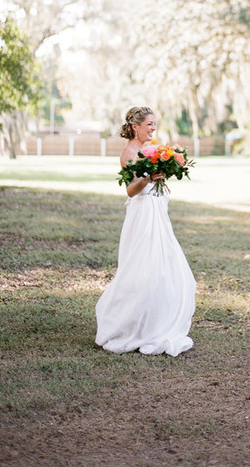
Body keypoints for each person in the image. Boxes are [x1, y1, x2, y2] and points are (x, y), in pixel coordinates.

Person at [95, 106, 196, 355]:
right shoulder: (128, 152)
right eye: (149, 124)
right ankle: (128, 323)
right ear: (135, 126)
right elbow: (130, 189)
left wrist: (164, 171)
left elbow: (156, 178)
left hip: (158, 213)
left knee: (164, 266)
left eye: (154, 124)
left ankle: (157, 321)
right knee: (141, 267)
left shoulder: (154, 150)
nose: (153, 128)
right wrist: (149, 177)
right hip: (142, 215)